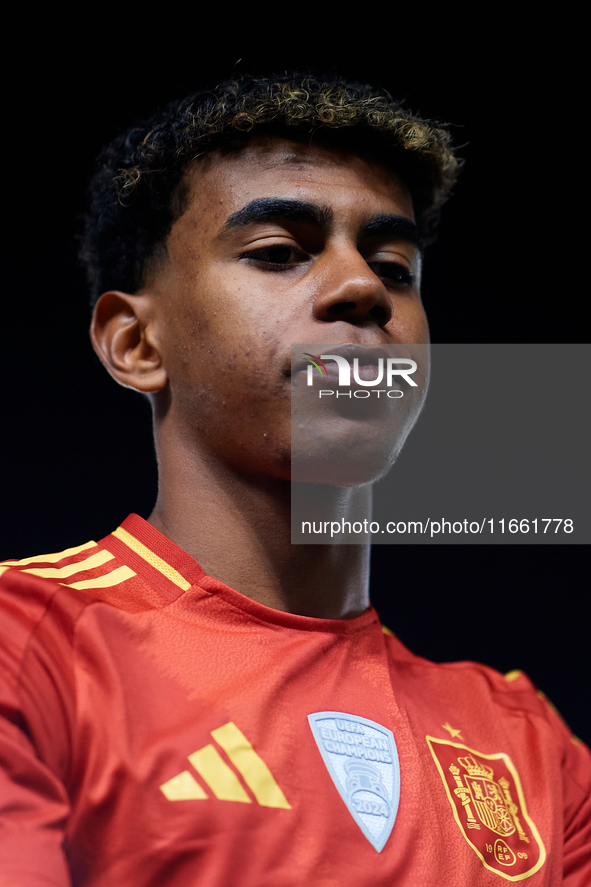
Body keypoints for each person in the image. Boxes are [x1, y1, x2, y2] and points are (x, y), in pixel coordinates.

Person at [0, 71, 589, 886]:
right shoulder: (25, 640)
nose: (361, 289)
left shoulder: (527, 742)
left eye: (394, 266)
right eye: (279, 253)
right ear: (136, 343)